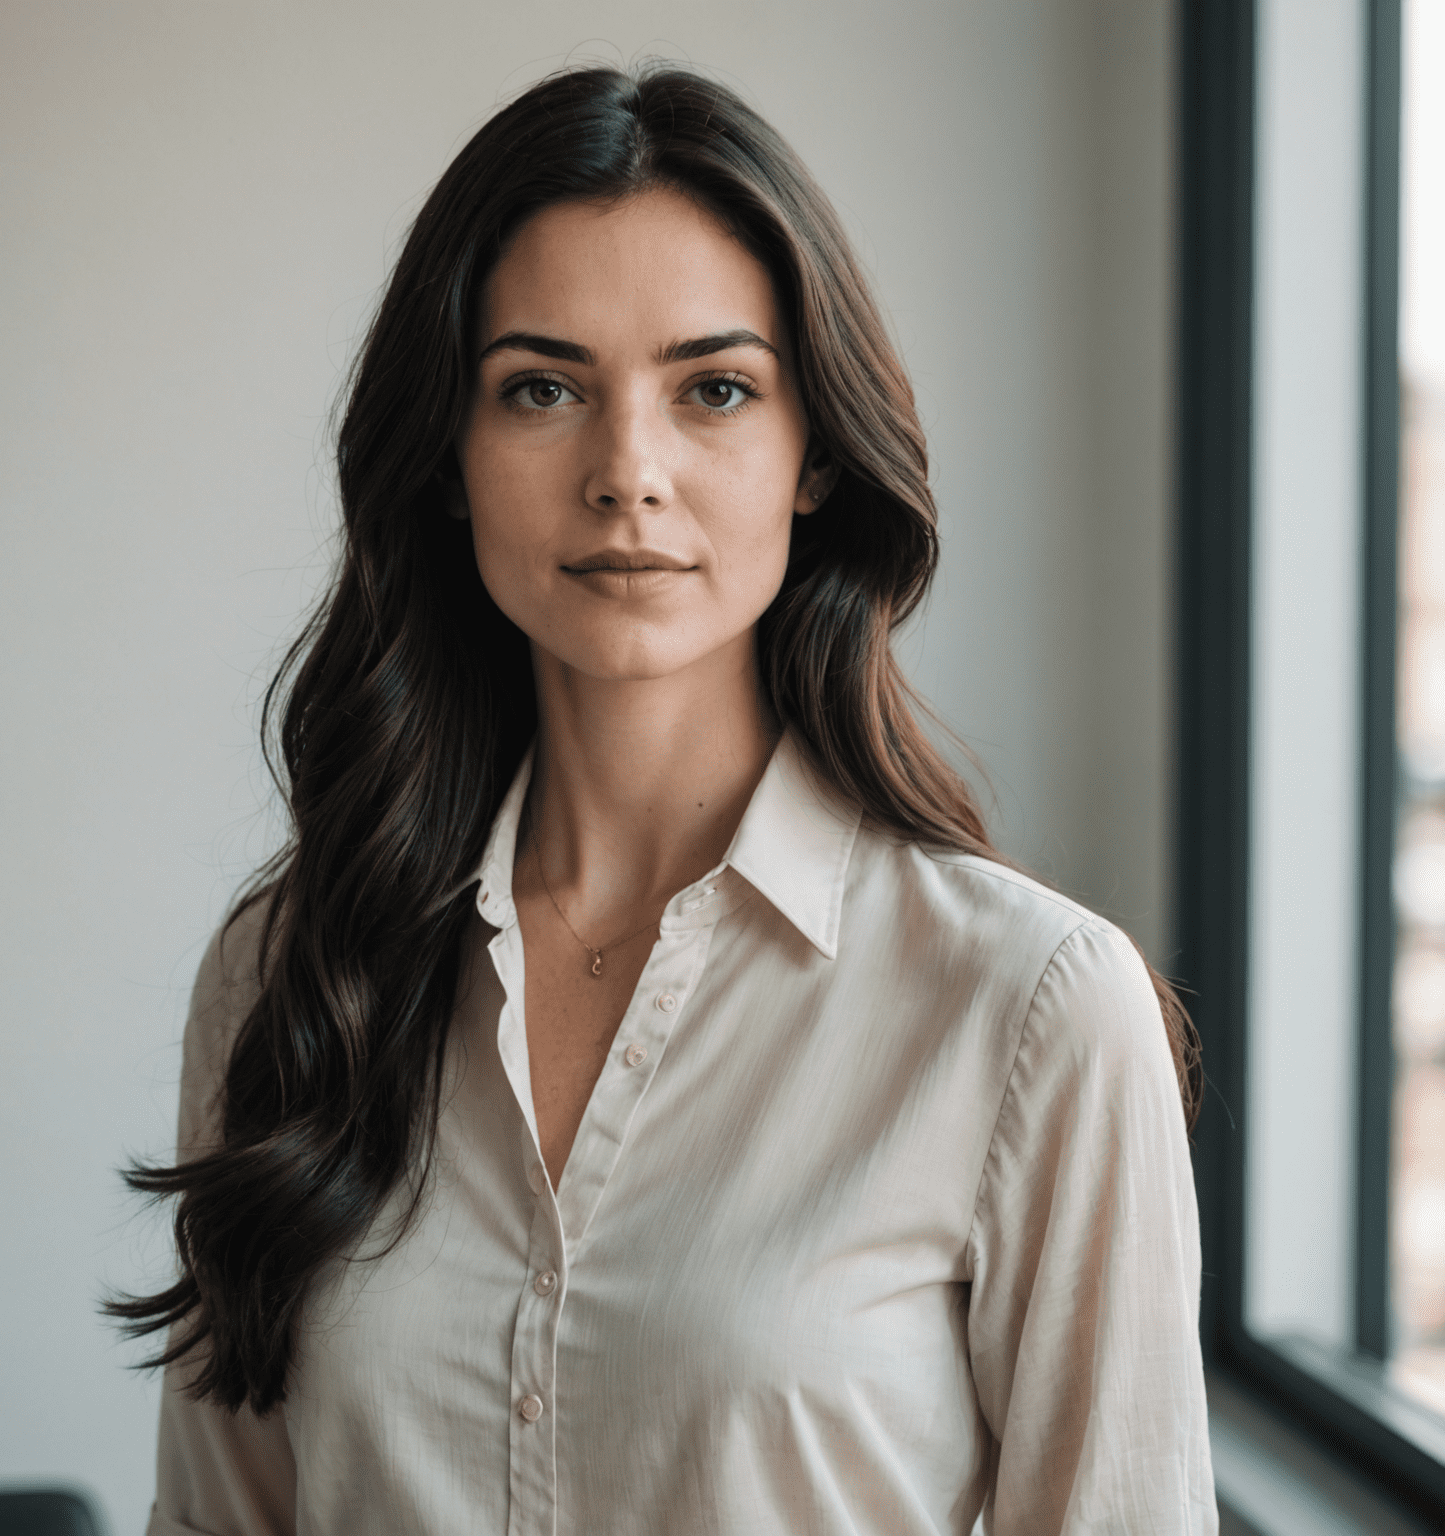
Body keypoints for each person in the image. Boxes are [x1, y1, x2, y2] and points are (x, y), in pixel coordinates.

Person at [115, 63, 1216, 1535]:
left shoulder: (1034, 1013)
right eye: (542, 388)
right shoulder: (287, 975)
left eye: (714, 389)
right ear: (448, 458)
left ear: (814, 452)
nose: (627, 473)